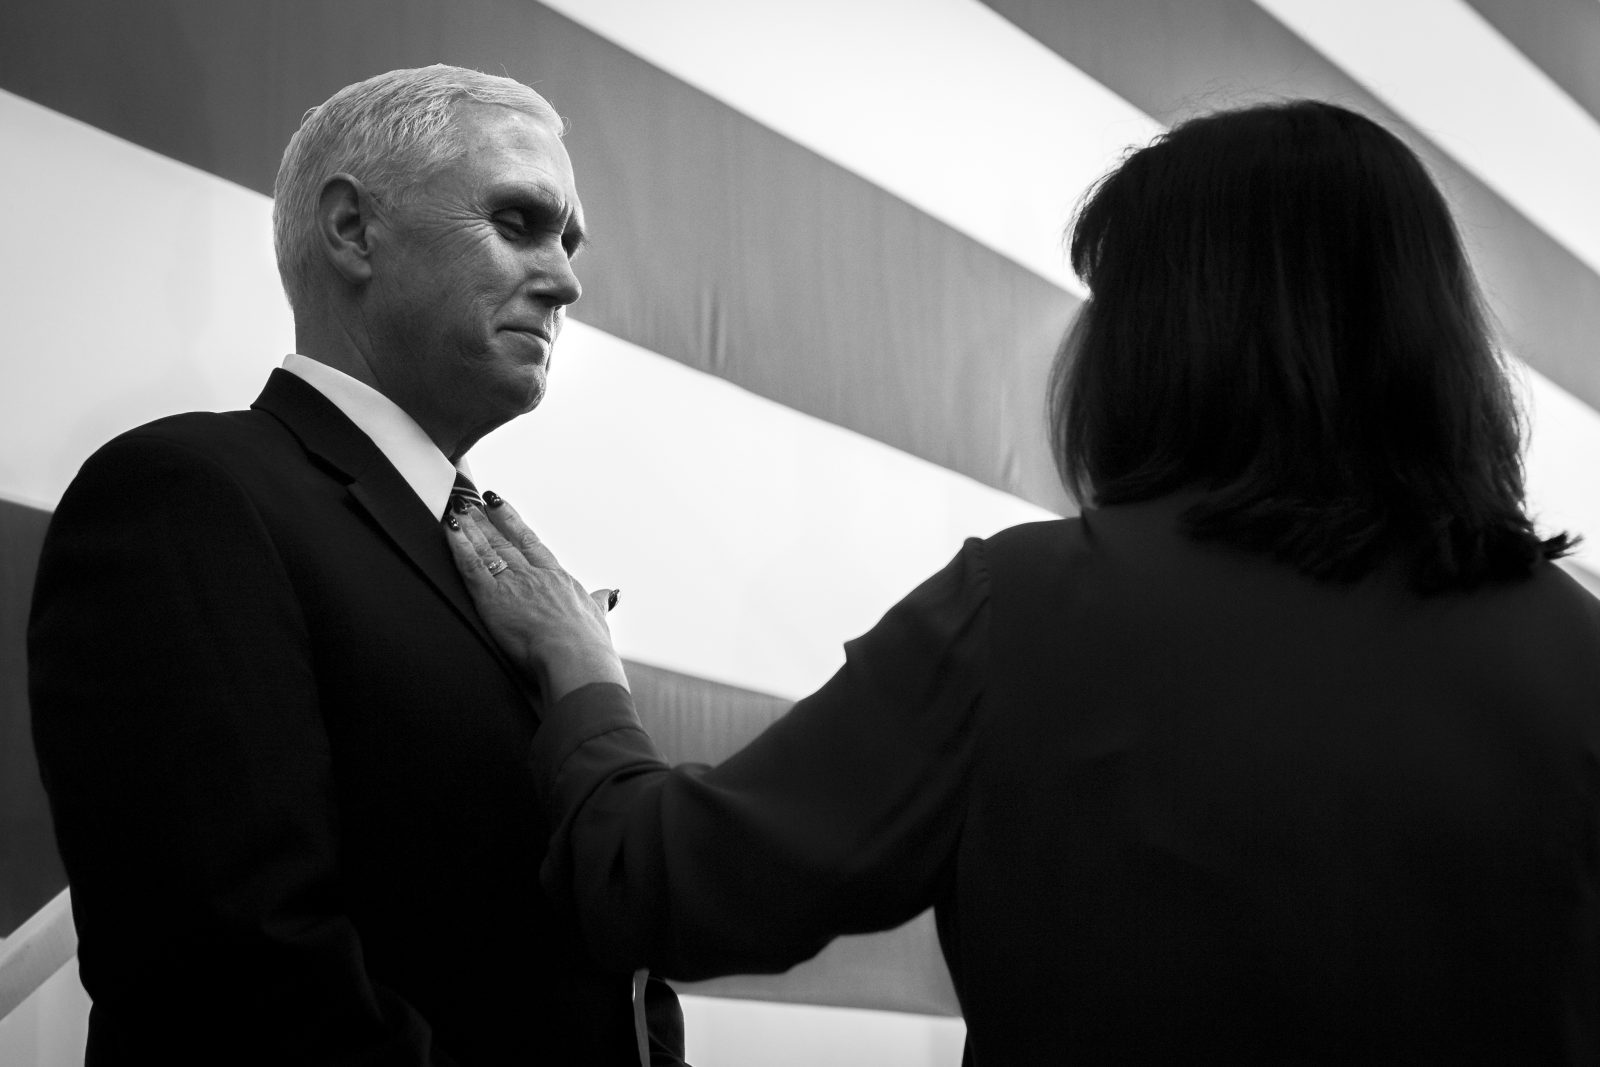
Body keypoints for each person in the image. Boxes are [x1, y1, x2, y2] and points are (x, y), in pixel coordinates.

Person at [447, 100, 1600, 1063]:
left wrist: (581, 672)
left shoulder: (1027, 611)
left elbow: (661, 888)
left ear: (1173, 338)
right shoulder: (1577, 648)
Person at [29, 64, 682, 1065]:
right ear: (352, 229)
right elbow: (235, 980)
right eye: (519, 222)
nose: (564, 280)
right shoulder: (184, 497)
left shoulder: (504, 568)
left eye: (570, 242)